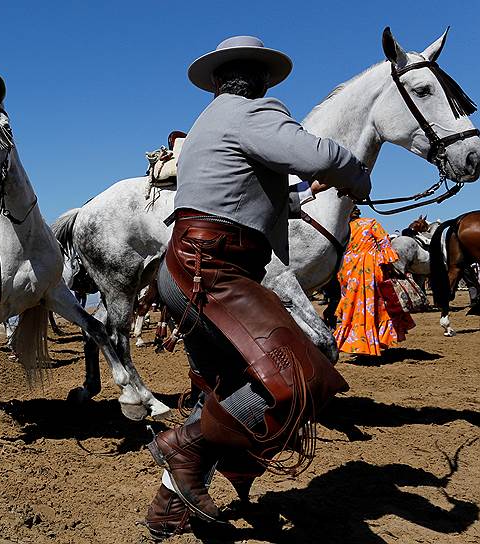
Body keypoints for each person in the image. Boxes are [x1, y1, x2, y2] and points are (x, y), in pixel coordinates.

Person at [144, 36, 372, 538]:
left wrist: (292, 198)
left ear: (221, 80)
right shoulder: (253, 112)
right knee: (302, 374)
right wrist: (356, 176)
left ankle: (168, 504)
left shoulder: (211, 121)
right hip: (216, 267)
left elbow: (236, 196)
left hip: (185, 265)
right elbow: (315, 154)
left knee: (222, 391)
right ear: (263, 80)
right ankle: (181, 443)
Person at [333, 207, 414, 361]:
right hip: (370, 267)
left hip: (348, 268)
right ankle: (373, 341)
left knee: (353, 306)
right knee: (376, 306)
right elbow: (385, 245)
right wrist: (390, 267)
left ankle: (356, 343)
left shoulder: (343, 228)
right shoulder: (371, 223)